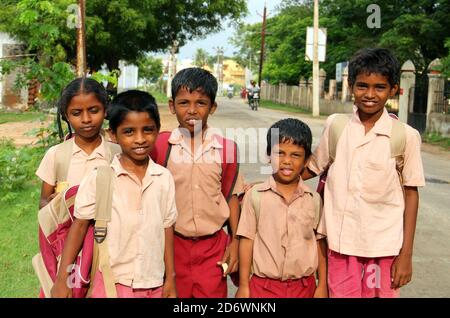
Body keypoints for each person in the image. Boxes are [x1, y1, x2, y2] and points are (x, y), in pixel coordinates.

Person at [302, 48, 425, 298]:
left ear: (393, 89)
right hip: (339, 245)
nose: (370, 95)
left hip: (384, 248)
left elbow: (411, 194)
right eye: (362, 86)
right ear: (350, 86)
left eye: (379, 87)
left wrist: (406, 255)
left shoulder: (405, 137)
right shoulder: (337, 126)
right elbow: (312, 168)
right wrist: (265, 183)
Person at [51, 90, 178, 298]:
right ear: (113, 135)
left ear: (158, 130)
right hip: (111, 283)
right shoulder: (100, 178)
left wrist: (170, 278)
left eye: (148, 130)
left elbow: (167, 229)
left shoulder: (163, 178)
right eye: (129, 132)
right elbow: (79, 226)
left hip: (153, 283)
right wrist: (62, 279)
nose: (139, 139)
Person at [163, 67, 244, 298]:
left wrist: (235, 243)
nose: (192, 110)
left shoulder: (226, 149)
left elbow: (232, 198)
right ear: (171, 106)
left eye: (201, 103)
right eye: (184, 103)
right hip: (172, 245)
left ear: (212, 107)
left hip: (213, 247)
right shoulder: (161, 147)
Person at [235, 118, 328, 298]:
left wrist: (321, 285)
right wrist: (244, 286)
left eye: (295, 155)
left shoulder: (313, 200)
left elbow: (319, 243)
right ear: (268, 155)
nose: (286, 161)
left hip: (304, 287)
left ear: (307, 160)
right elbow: (246, 241)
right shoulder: (255, 196)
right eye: (280, 153)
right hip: (263, 288)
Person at [36, 77, 114, 209]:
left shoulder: (117, 154)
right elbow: (43, 202)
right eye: (77, 113)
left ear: (105, 110)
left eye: (94, 111)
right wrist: (54, 205)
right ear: (66, 115)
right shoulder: (56, 155)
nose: (86, 119)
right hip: (69, 228)